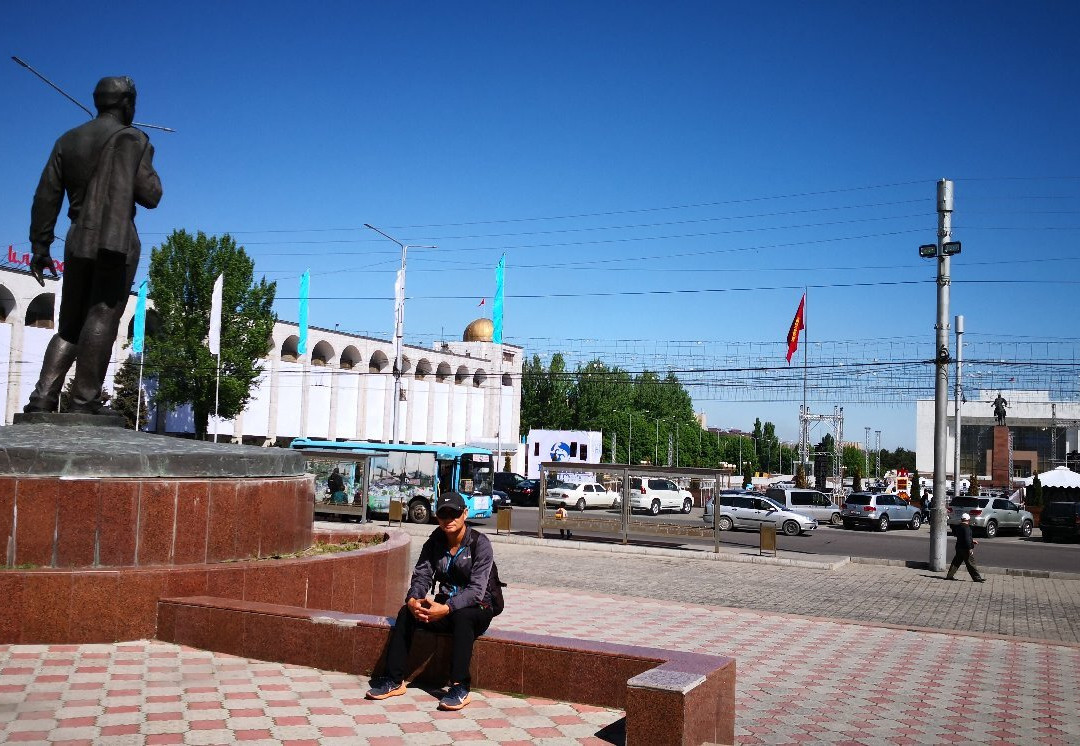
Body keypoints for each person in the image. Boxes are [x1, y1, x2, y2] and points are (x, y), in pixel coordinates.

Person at [24, 76, 163, 415]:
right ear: (128, 102)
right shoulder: (132, 138)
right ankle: (84, 401)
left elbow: (46, 195)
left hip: (76, 239)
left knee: (70, 323)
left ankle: (42, 397)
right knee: (102, 315)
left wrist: (40, 245)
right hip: (115, 239)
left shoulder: (68, 140)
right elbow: (151, 195)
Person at [366, 490, 497, 711]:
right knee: (406, 613)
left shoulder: (480, 544)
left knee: (463, 617)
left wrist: (447, 608)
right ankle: (394, 680)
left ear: (464, 514)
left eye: (454, 513)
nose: (449, 519)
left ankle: (460, 686)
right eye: (444, 514)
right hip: (444, 605)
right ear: (437, 516)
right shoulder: (434, 541)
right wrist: (414, 599)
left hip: (478, 608)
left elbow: (476, 590)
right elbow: (422, 575)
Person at [946, 513, 986, 582]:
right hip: (965, 548)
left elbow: (961, 536)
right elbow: (967, 539)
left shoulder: (958, 527)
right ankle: (977, 578)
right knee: (971, 563)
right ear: (968, 519)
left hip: (959, 547)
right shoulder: (967, 528)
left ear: (962, 519)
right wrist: (970, 548)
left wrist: (972, 540)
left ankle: (949, 575)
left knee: (956, 562)